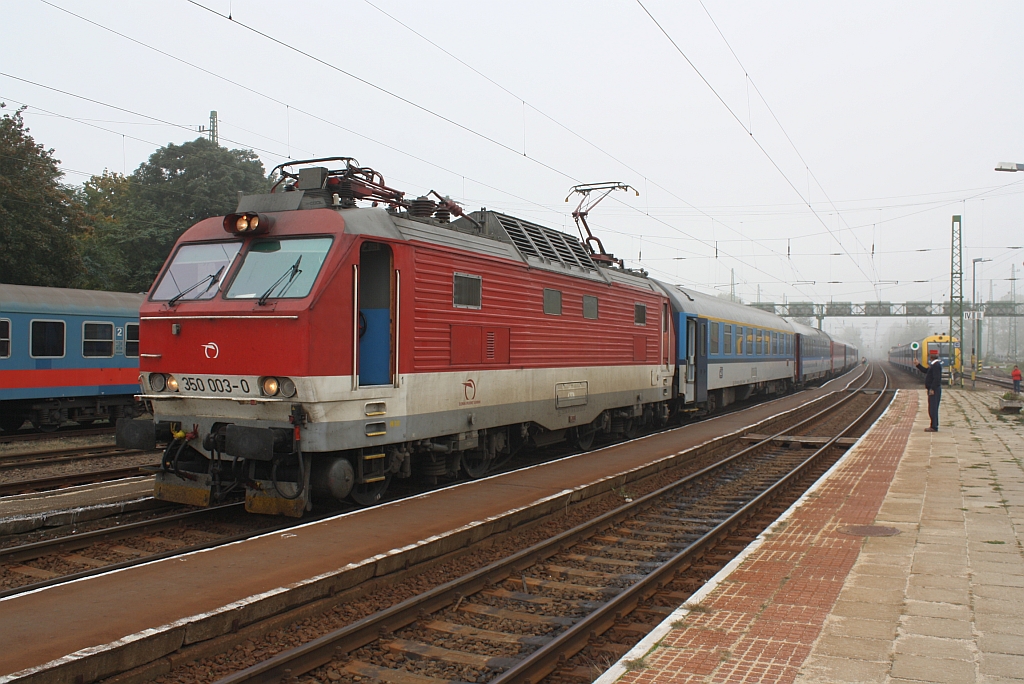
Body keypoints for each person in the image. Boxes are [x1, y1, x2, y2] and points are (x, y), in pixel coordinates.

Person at [916, 357, 942, 432]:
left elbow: (937, 379)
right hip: (933, 389)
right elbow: (926, 371)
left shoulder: (936, 365)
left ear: (931, 357)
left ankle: (934, 426)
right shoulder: (934, 365)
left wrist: (932, 389)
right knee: (932, 408)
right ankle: (933, 425)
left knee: (933, 408)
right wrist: (918, 365)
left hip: (934, 390)